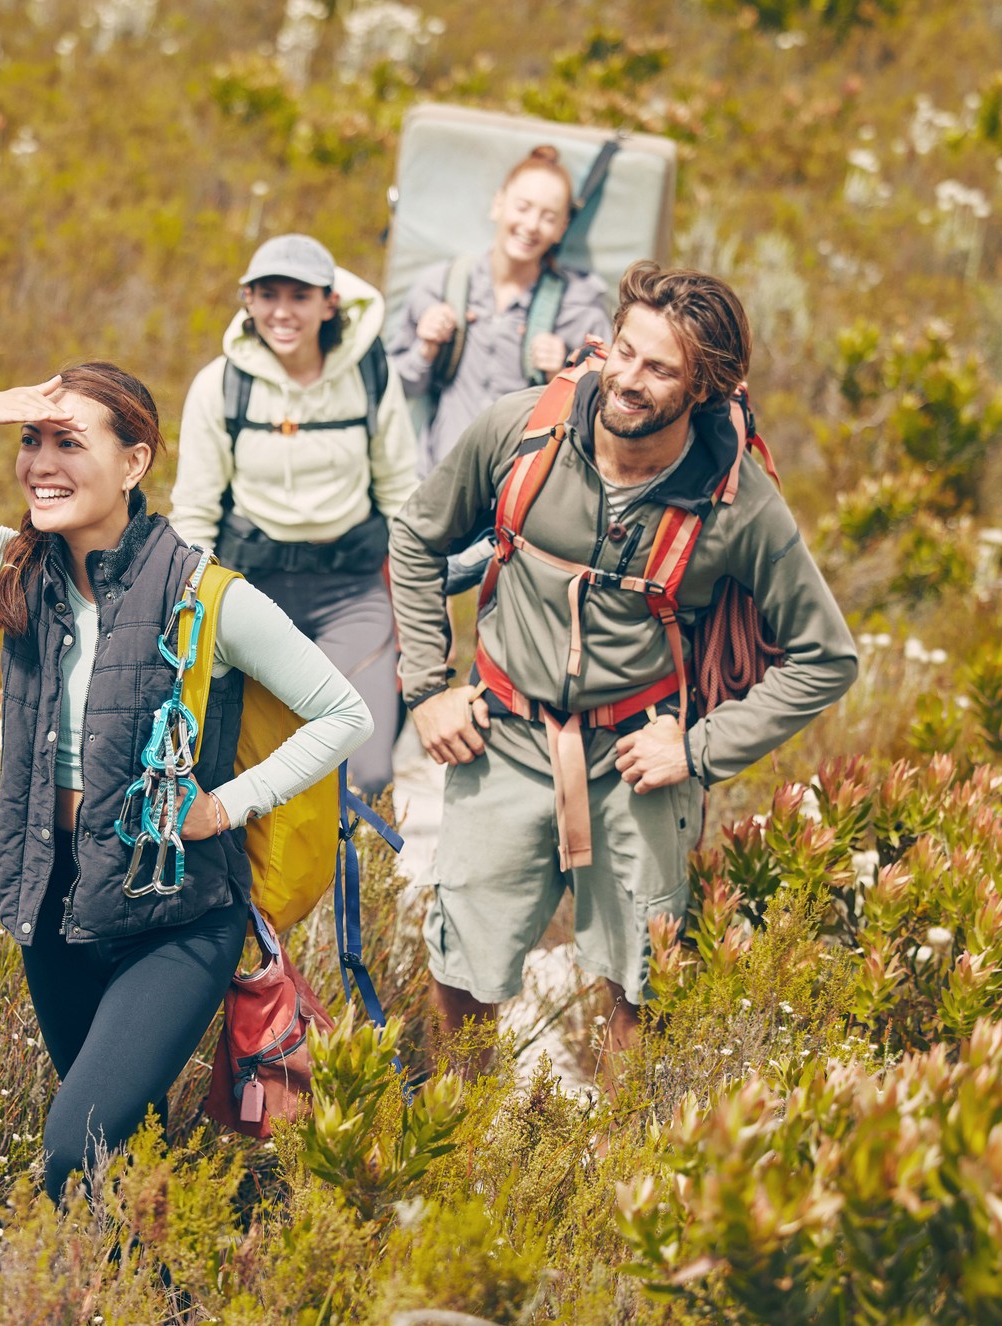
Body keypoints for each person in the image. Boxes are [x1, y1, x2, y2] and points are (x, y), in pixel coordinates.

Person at [0, 362, 371, 1199]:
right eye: (30, 441)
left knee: (71, 1144)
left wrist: (225, 806)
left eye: (69, 442)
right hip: (53, 901)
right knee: (126, 1145)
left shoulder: (205, 596)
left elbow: (343, 713)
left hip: (176, 915)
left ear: (134, 463)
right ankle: (151, 1287)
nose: (41, 463)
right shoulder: (12, 569)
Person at [388, 263, 857, 1058]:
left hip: (642, 760)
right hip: (502, 738)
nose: (627, 380)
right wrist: (428, 686)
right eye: (624, 352)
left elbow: (826, 657)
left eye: (659, 368)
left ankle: (618, 1167)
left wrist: (699, 749)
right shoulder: (520, 432)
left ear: (705, 388)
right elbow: (415, 536)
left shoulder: (737, 504)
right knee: (462, 966)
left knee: (643, 983)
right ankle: (458, 1149)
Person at [168, 234, 417, 798]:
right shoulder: (220, 385)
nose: (283, 311)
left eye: (300, 296)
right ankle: (259, 887)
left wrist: (419, 598)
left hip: (351, 592)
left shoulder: (371, 374)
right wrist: (193, 606)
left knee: (366, 769)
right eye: (267, 294)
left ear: (330, 303)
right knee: (249, 761)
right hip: (253, 592)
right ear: (247, 301)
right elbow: (196, 510)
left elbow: (402, 491)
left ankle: (350, 881)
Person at [386, 145, 614, 481]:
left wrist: (563, 372)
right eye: (522, 208)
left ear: (562, 228)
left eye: (548, 217)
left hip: (523, 492)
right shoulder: (441, 286)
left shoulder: (579, 310)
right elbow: (395, 385)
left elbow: (605, 413)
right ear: (498, 203)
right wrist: (426, 349)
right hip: (438, 480)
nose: (531, 225)